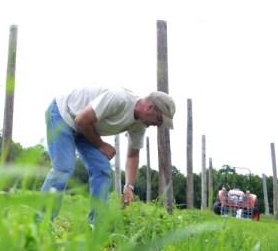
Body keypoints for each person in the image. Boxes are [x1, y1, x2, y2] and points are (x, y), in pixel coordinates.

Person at [39, 85, 176, 224]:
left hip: (85, 128)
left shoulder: (139, 125)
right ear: (150, 107)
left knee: (102, 169)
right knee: (63, 167)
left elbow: (133, 155)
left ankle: (96, 226)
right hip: (63, 113)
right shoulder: (119, 99)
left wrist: (129, 186)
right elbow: (81, 120)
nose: (159, 125)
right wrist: (101, 145)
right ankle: (42, 223)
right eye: (160, 120)